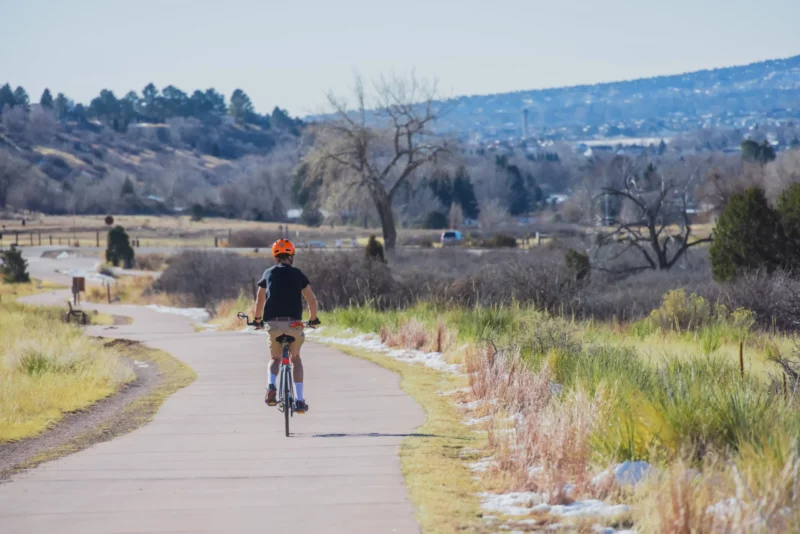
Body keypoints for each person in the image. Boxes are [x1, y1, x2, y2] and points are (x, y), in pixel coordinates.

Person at [253, 239, 319, 413]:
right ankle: (299, 400)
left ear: (276, 257)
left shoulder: (268, 273)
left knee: (275, 359)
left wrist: (257, 320)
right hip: (294, 324)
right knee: (295, 359)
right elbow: (311, 300)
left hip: (273, 324)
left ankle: (271, 386)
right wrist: (313, 319)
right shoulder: (298, 274)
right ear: (291, 257)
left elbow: (260, 300)